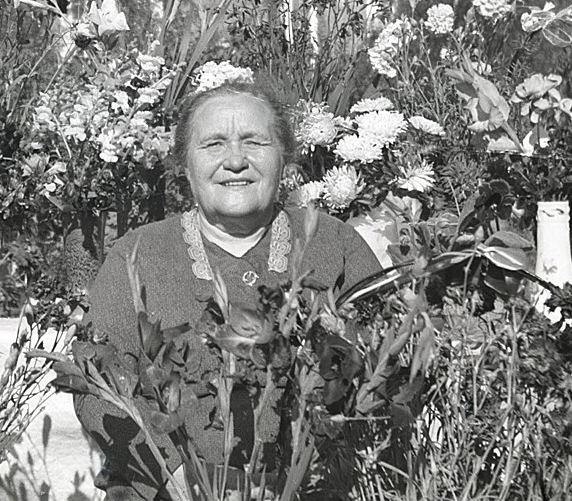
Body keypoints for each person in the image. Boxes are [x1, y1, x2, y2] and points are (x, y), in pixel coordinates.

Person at [74, 80, 383, 500]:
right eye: (214, 144)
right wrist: (174, 471)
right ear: (185, 166)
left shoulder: (335, 244)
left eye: (255, 142)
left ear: (285, 160)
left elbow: (385, 362)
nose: (235, 160)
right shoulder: (139, 253)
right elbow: (94, 379)